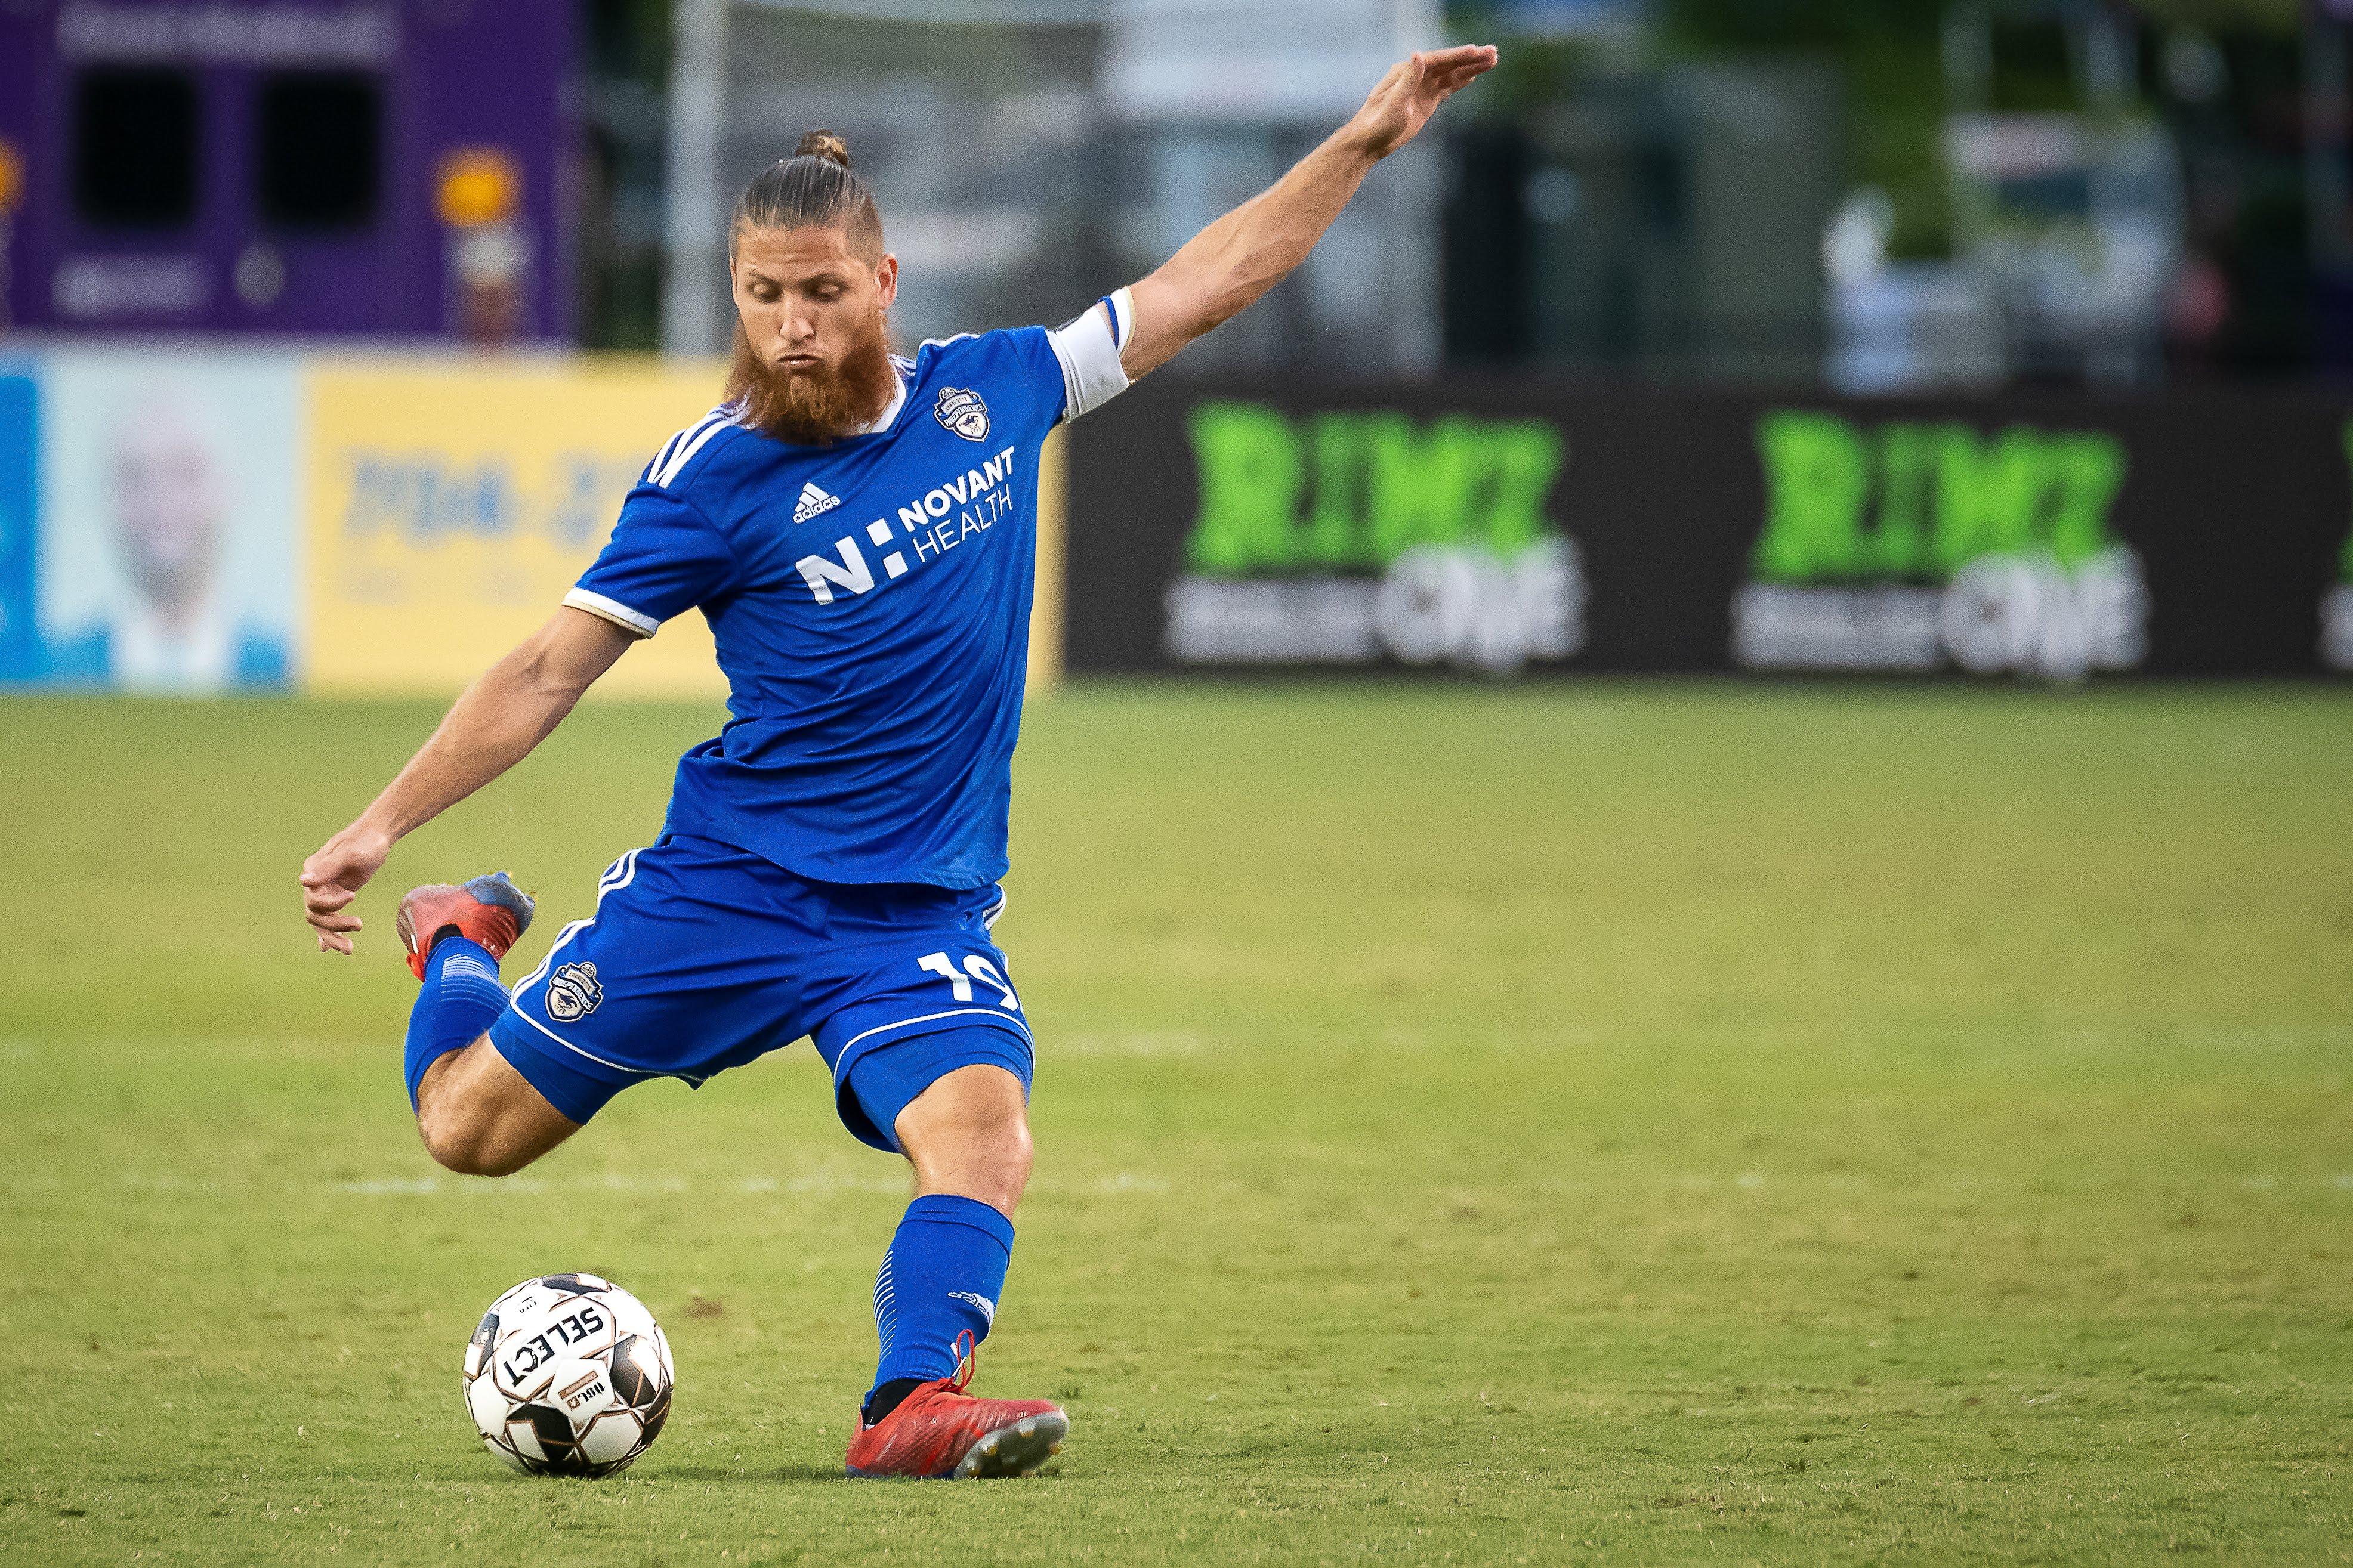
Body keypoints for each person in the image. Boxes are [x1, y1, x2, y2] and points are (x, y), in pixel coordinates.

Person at [299, 45, 1496, 1481]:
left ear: (881, 283)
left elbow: (1210, 280)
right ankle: (461, 940)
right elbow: (550, 668)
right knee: (466, 1135)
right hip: (729, 889)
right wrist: (383, 823)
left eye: (818, 292)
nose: (790, 327)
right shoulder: (711, 478)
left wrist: (1362, 139)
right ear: (733, 296)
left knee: (986, 1136)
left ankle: (908, 1405)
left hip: (914, 916)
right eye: (761, 296)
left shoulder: (995, 393)